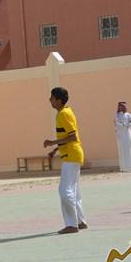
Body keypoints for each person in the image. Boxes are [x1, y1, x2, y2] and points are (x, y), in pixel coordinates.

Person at [43, 87, 88, 235]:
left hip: (71, 156)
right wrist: (56, 149)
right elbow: (67, 136)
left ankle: (71, 224)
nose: (50, 100)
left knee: (65, 190)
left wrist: (52, 143)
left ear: (58, 100)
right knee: (74, 190)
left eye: (52, 98)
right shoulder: (65, 112)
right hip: (73, 155)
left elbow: (73, 137)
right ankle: (80, 221)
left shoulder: (64, 114)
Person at [114, 102, 131, 172]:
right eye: (120, 106)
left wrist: (128, 125)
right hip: (121, 134)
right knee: (122, 148)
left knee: (129, 147)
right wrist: (122, 125)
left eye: (123, 106)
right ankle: (124, 167)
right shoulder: (117, 115)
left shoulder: (128, 114)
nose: (121, 107)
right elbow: (116, 123)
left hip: (128, 134)